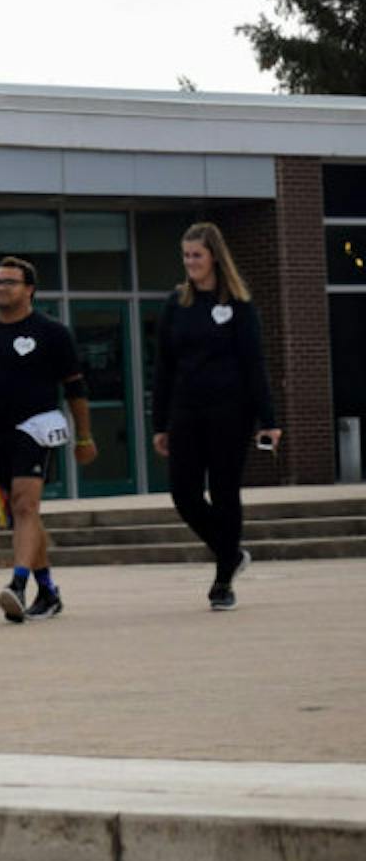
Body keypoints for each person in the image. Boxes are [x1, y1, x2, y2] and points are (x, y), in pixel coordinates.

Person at [0, 256, 95, 624]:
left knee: (24, 505)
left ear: (29, 289)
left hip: (37, 427)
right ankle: (47, 589)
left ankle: (17, 585)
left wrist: (84, 436)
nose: (0, 288)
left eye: (9, 282)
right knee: (23, 515)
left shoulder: (52, 332)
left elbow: (75, 389)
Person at [151, 222, 281, 611]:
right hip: (185, 410)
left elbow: (254, 364)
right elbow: (164, 367)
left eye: (197, 255)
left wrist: (268, 419)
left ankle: (223, 580)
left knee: (225, 492)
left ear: (214, 258)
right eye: (186, 255)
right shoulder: (177, 304)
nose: (190, 262)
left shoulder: (239, 305)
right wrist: (160, 423)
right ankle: (231, 552)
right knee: (184, 493)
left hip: (230, 412)